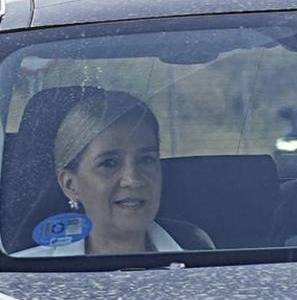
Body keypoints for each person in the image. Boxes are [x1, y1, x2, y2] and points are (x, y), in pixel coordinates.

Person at [14, 89, 214, 256]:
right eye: (109, 163)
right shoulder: (19, 281)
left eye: (146, 160)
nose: (133, 180)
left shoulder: (205, 262)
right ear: (70, 185)